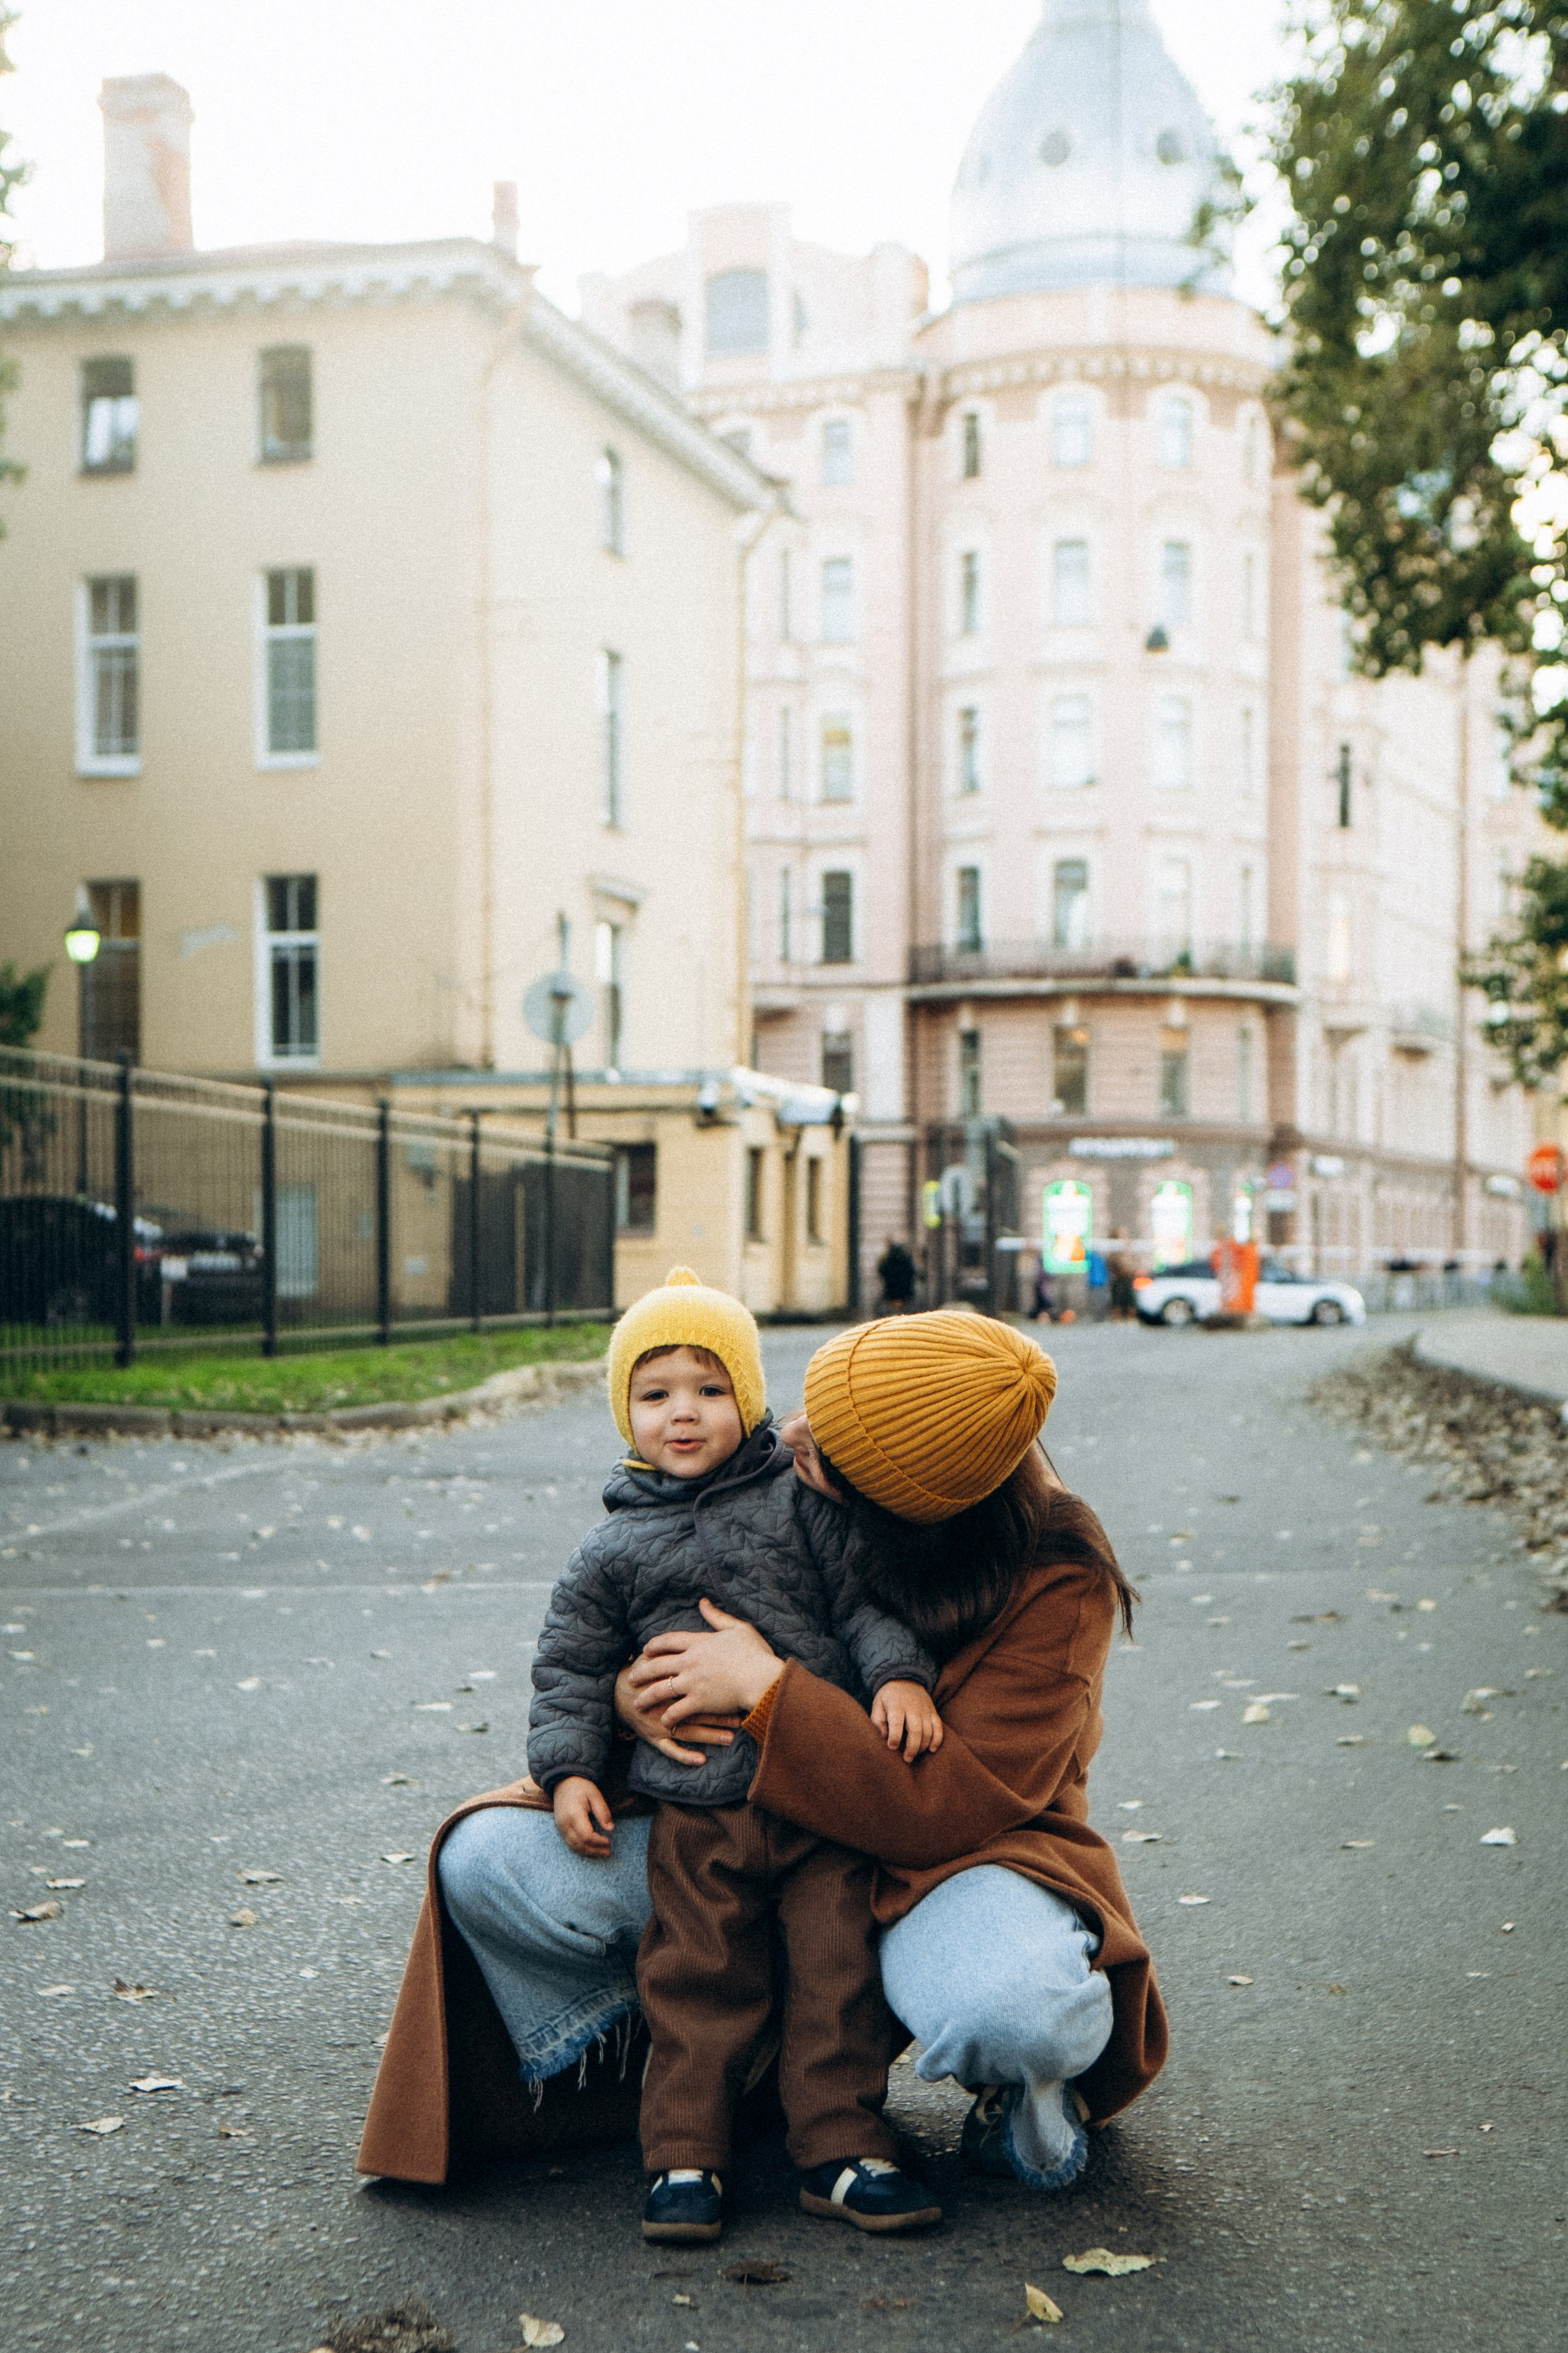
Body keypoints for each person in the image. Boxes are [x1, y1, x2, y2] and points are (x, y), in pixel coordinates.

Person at [356, 1312, 1167, 2205]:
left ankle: (1010, 2099)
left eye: (832, 1445)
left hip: (944, 1863)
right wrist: (629, 1699)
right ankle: (707, 2076)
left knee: (1015, 2009)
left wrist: (766, 1688)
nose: (793, 1435)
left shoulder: (1057, 1575)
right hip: (730, 1815)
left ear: (898, 1506)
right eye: (814, 1408)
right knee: (486, 1862)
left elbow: (942, 1806)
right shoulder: (756, 1495)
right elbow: (615, 1635)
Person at [526, 1266, 943, 2243]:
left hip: (816, 1798)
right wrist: (571, 1768)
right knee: (695, 1977)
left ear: (749, 1399)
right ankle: (685, 2156)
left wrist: (899, 1677)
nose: (684, 1412)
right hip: (697, 1808)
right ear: (625, 1412)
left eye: (710, 1389)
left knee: (836, 1974)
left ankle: (842, 2148)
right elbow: (570, 1666)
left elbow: (865, 1602)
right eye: (656, 1393)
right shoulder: (609, 1551)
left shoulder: (802, 1505)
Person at [876, 1236, 918, 1314]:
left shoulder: (887, 1262)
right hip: (906, 1295)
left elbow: (881, 1272)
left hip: (890, 1294)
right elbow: (913, 1273)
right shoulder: (906, 1261)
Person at [1106, 1228, 1138, 1321]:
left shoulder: (1129, 1247)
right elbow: (1112, 1261)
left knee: (1130, 1298)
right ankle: (1117, 1318)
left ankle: (1131, 1318)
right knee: (1118, 1298)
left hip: (1129, 1277)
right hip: (1118, 1278)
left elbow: (1133, 1261)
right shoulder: (1114, 1248)